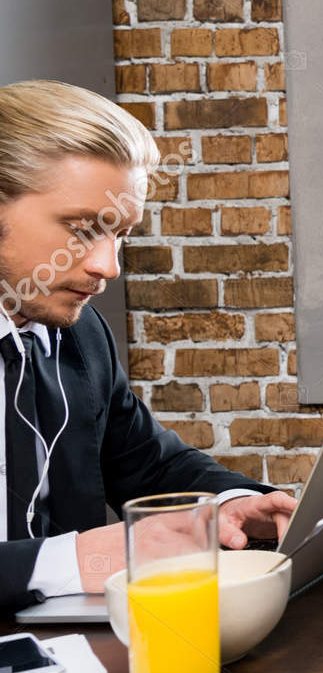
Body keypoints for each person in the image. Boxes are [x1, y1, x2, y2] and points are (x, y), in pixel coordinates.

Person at [0, 80, 297, 616]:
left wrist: (233, 505)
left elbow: (149, 462)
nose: (107, 267)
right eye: (83, 229)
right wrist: (77, 556)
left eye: (120, 236)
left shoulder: (80, 334)